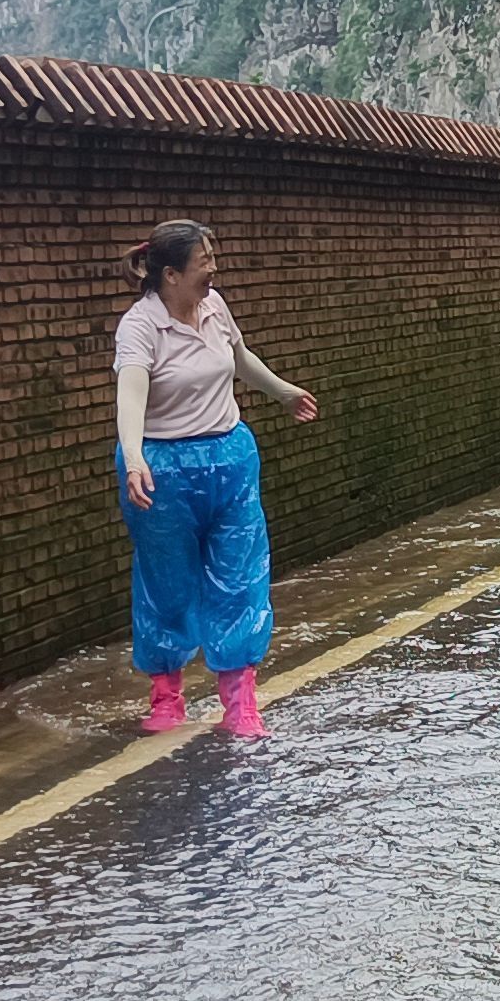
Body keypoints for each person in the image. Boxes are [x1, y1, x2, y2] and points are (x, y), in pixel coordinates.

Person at [114, 219, 318, 738]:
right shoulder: (140, 326)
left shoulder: (215, 306)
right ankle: (166, 695)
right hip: (163, 468)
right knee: (167, 580)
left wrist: (283, 392)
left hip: (228, 457)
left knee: (240, 576)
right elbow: (132, 393)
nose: (213, 270)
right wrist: (135, 457)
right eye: (204, 262)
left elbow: (238, 357)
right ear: (170, 274)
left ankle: (240, 702)